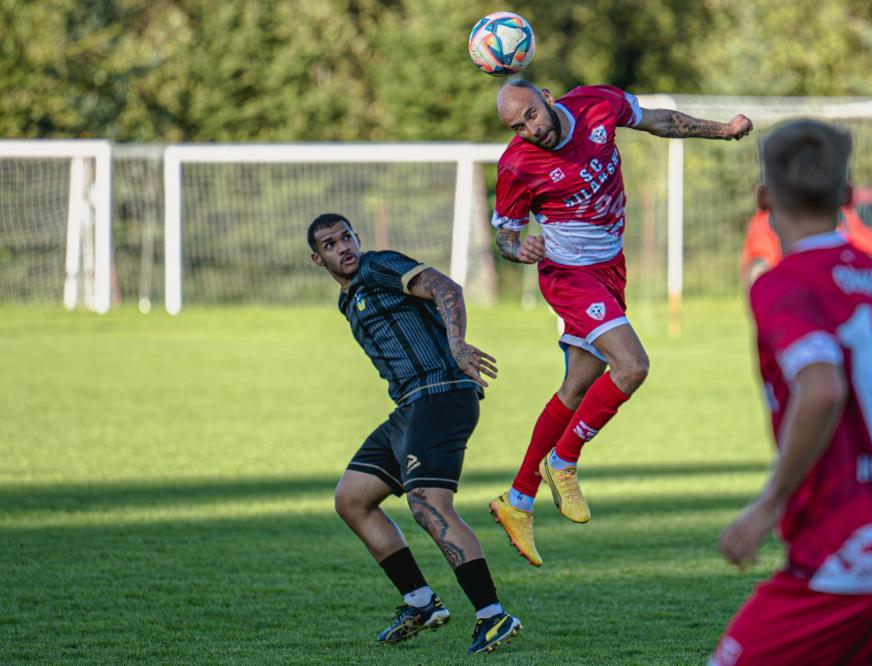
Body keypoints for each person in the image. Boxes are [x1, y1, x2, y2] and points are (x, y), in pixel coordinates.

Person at [711, 120, 872, 665]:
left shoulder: (781, 284)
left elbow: (822, 389)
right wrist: (868, 456)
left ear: (763, 198)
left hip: (845, 554)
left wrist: (768, 504)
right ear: (848, 197)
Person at [486, 80, 753, 566]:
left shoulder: (595, 103)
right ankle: (563, 461)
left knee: (577, 385)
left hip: (609, 267)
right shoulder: (517, 164)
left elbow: (661, 121)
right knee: (632, 366)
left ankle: (518, 499)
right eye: (517, 126)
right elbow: (504, 234)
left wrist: (724, 130)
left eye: (531, 115)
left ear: (547, 96)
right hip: (568, 275)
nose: (530, 130)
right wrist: (518, 248)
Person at [308, 213, 522, 655]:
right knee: (352, 498)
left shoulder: (378, 265)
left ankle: (492, 614)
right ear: (317, 258)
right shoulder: (348, 300)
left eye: (347, 236)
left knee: (428, 504)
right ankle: (420, 602)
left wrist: (458, 343)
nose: (343, 247)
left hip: (441, 394)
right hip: (410, 407)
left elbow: (446, 288)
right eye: (330, 244)